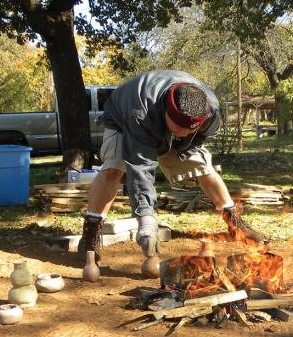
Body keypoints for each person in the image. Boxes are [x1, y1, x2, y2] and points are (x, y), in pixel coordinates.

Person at [78, 70, 265, 280]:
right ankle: (90, 235)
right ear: (168, 111)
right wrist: (146, 221)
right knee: (113, 169)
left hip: (166, 129)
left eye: (189, 129)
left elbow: (199, 137)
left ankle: (234, 222)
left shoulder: (210, 111)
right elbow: (140, 169)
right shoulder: (140, 113)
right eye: (179, 127)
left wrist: (181, 142)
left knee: (203, 166)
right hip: (124, 120)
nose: (184, 132)